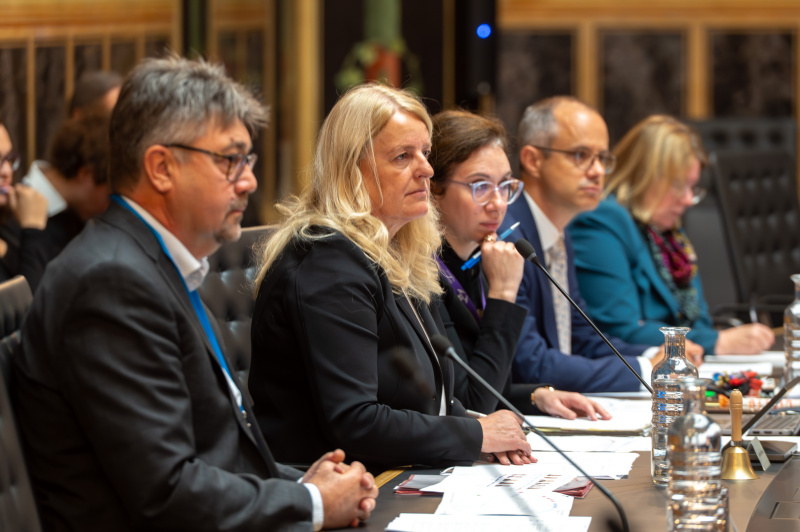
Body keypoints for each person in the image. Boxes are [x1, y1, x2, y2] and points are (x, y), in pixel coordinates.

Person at [13, 55, 377, 531]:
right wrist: (312, 503)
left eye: (248, 160)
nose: (249, 181)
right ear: (161, 168)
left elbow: (214, 453)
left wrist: (304, 487)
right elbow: (166, 493)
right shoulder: (111, 282)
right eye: (230, 160)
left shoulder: (153, 263)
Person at [250, 83, 532, 471]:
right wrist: (475, 434)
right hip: (335, 485)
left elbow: (434, 398)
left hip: (395, 471)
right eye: (403, 156)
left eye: (425, 153)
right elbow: (356, 422)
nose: (427, 170)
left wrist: (481, 428)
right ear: (350, 170)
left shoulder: (400, 254)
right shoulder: (329, 265)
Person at [499, 97, 704, 394]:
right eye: (581, 155)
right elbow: (530, 364)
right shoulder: (509, 238)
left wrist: (652, 355)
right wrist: (645, 369)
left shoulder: (559, 234)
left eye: (602, 158)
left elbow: (582, 337)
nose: (597, 171)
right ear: (533, 160)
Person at [430, 108, 610, 420]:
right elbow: (471, 404)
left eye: (504, 186)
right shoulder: (425, 273)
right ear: (433, 188)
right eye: (480, 186)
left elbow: (486, 383)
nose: (498, 204)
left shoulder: (480, 258)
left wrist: (535, 395)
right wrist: (503, 294)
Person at [568, 114, 775, 355]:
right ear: (643, 175)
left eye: (692, 187)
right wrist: (717, 342)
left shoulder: (670, 236)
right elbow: (619, 330)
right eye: (678, 185)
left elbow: (699, 320)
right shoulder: (601, 220)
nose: (688, 199)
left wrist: (711, 341)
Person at [20, 111, 112, 291]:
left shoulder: (74, 214)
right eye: (109, 192)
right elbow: (28, 302)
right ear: (85, 173)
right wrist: (32, 232)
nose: (109, 204)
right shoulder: (16, 217)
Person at [0, 121, 49, 284]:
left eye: (9, 159)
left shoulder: (8, 221)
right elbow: (31, 299)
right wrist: (33, 230)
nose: (7, 171)